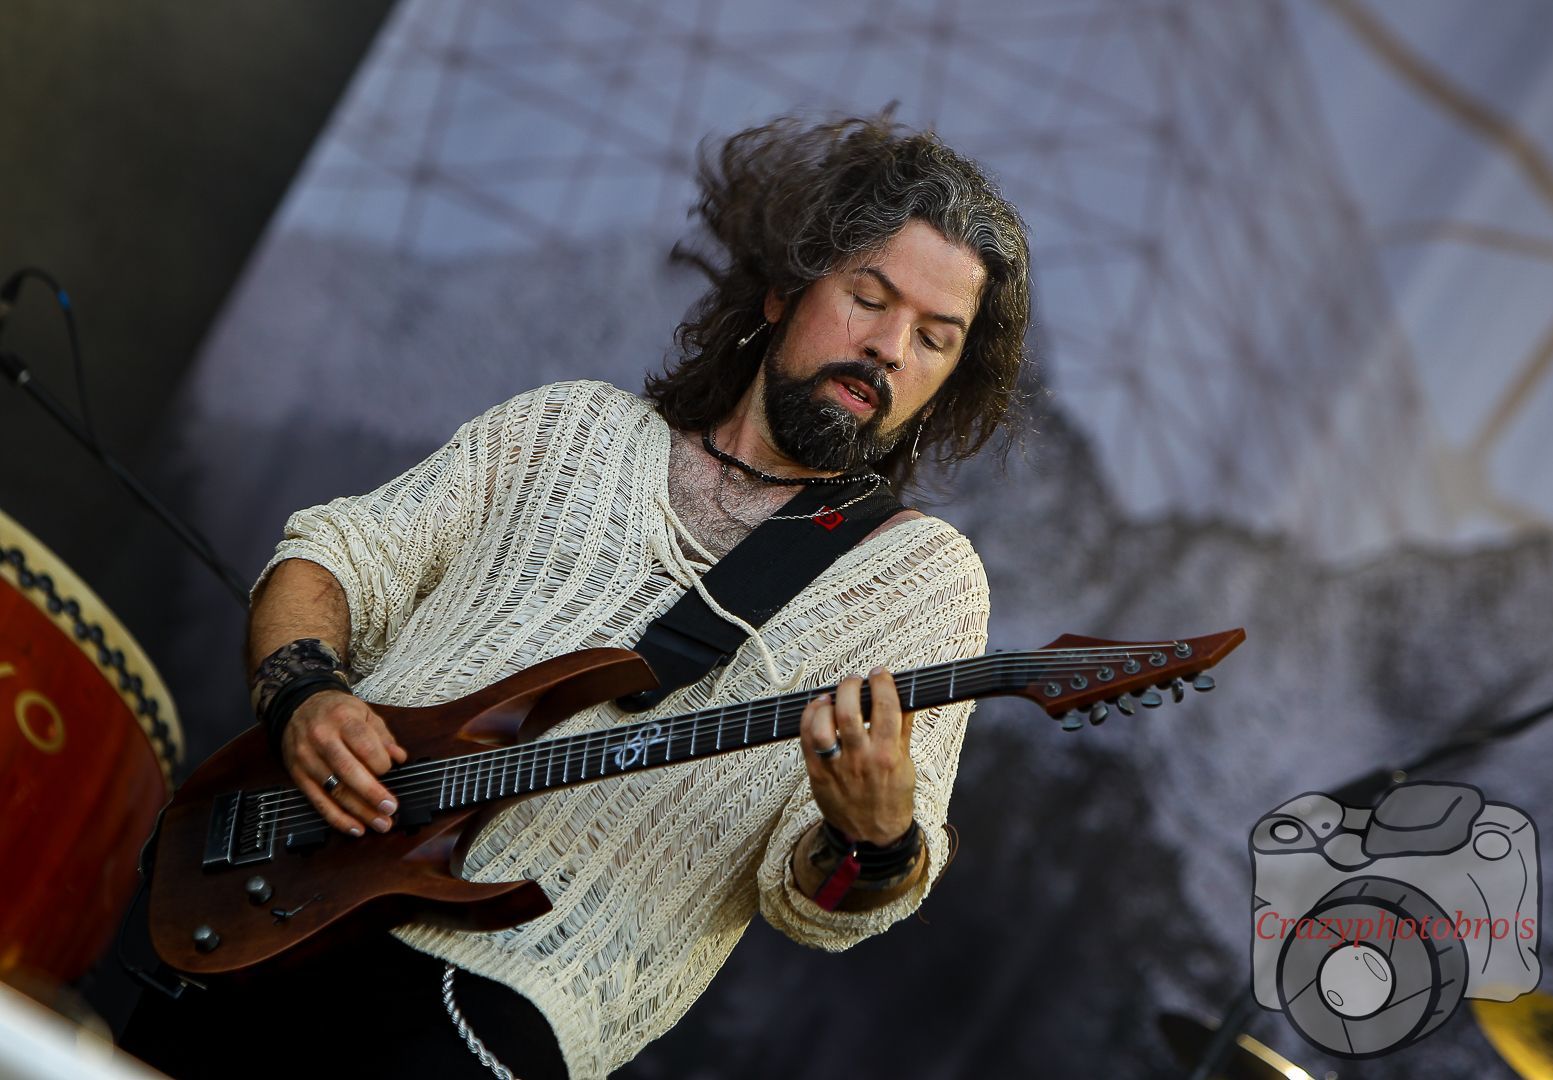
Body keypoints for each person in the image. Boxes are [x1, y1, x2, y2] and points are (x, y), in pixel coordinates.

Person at [122, 114, 1031, 1079]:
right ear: (783, 290)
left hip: (498, 1006)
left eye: (933, 339)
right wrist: (304, 694)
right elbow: (333, 557)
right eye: (869, 298)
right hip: (284, 901)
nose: (890, 347)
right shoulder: (572, 428)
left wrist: (873, 840)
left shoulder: (921, 581)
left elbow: (814, 903)